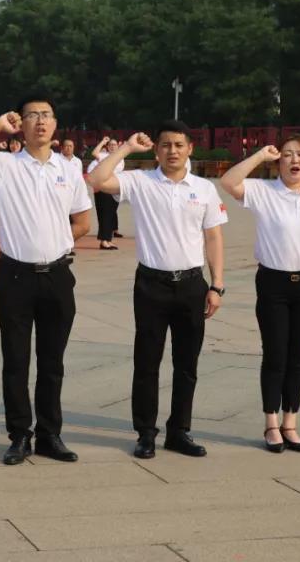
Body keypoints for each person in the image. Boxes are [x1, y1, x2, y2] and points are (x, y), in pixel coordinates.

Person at [0, 95, 92, 465]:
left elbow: (83, 222)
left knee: (52, 362)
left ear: (55, 123)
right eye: (32, 116)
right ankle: (19, 435)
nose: (40, 122)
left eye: (46, 115)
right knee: (15, 361)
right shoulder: (5, 165)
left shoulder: (68, 169)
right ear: (22, 125)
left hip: (58, 275)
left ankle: (50, 435)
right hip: (16, 276)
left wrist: (57, 240)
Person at [90, 121, 226, 460]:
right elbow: (98, 180)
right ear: (156, 150)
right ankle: (146, 433)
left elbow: (213, 237)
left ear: (190, 148)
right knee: (147, 362)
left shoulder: (204, 189)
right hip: (151, 285)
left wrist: (217, 285)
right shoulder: (141, 182)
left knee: (187, 363)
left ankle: (179, 431)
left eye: (179, 145)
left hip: (192, 284)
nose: (172, 151)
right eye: (166, 145)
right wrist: (126, 147)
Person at [220, 136, 300, 453]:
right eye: (287, 155)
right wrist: (260, 155)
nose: (294, 160)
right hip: (273, 283)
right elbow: (228, 182)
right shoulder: (263, 192)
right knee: (275, 355)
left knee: (298, 358)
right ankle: (271, 423)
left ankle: (290, 423)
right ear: (278, 162)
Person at [88, 137, 123, 251]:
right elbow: (94, 153)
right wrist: (102, 141)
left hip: (114, 189)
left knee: (110, 215)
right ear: (107, 147)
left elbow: (114, 173)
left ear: (118, 146)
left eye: (114, 145)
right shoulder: (103, 156)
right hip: (102, 189)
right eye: (110, 145)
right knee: (104, 215)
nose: (112, 146)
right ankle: (104, 241)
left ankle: (108, 240)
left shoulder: (120, 159)